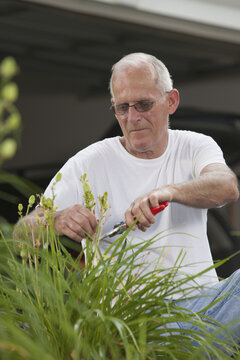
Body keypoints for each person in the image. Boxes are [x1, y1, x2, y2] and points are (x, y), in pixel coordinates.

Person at [15, 53, 239, 344]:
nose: (133, 118)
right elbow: (21, 235)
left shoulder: (196, 145)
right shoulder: (89, 162)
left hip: (206, 309)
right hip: (134, 320)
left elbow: (227, 186)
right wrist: (55, 220)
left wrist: (168, 192)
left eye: (143, 105)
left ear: (171, 101)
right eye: (122, 108)